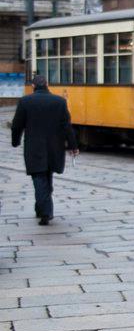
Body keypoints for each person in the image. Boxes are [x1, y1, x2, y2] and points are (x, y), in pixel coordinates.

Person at [11, 75, 79, 225]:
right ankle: (41, 208)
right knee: (47, 177)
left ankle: (45, 212)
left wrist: (15, 142)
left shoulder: (25, 101)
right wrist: (73, 146)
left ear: (33, 86)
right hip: (55, 147)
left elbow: (17, 125)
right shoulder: (60, 102)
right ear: (47, 84)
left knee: (39, 177)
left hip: (34, 148)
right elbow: (67, 126)